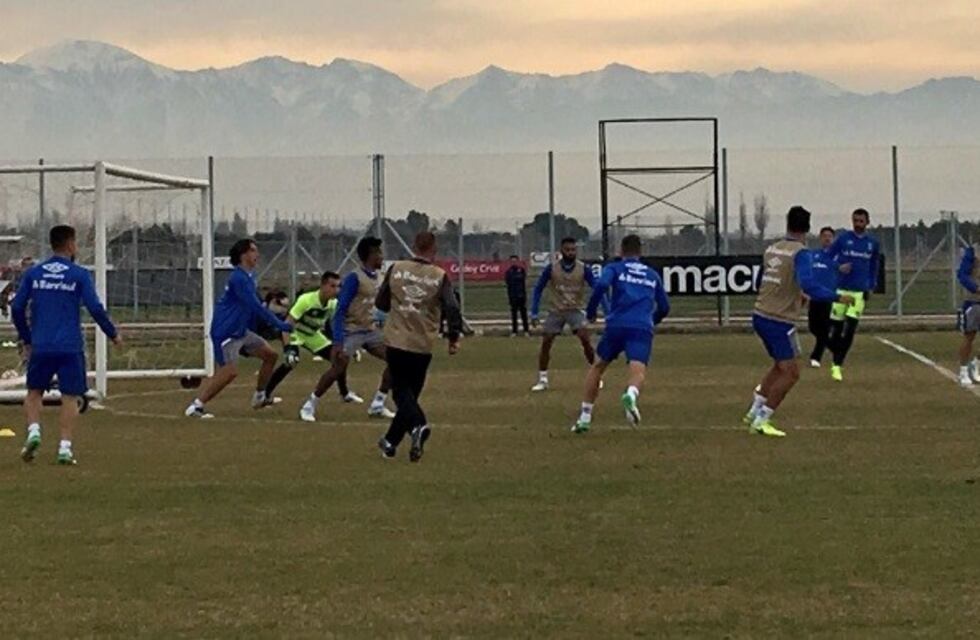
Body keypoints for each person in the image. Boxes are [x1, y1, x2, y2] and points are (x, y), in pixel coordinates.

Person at [11, 225, 122, 465]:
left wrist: (27, 337)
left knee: (33, 393)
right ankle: (64, 448)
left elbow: (17, 307)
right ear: (70, 244)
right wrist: (112, 333)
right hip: (70, 346)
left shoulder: (34, 273)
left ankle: (34, 432)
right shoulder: (79, 274)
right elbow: (95, 308)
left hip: (41, 345)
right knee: (70, 397)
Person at [744, 206, 854, 437]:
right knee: (792, 373)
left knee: (780, 365)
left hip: (761, 314)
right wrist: (837, 296)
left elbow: (760, 282)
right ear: (808, 227)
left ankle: (754, 411)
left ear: (788, 224)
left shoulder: (772, 249)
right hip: (778, 320)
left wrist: (793, 294)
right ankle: (762, 420)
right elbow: (808, 284)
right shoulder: (800, 253)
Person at [375, 231, 462, 462]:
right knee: (410, 394)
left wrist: (399, 304)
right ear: (434, 249)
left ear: (414, 246)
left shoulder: (396, 268)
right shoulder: (439, 276)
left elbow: (381, 303)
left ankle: (418, 426)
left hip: (396, 340)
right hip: (422, 344)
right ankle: (390, 443)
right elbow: (452, 307)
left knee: (402, 393)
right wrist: (453, 336)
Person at [184, 238, 292, 418]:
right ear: (243, 255)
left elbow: (252, 307)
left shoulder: (248, 277)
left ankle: (259, 397)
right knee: (229, 372)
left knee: (270, 356)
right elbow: (255, 306)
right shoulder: (239, 278)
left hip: (240, 330)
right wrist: (280, 324)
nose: (257, 254)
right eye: (253, 250)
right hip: (226, 331)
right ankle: (196, 406)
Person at [572, 235, 669, 434]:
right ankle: (631, 394)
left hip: (616, 325)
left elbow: (600, 286)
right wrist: (652, 320)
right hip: (641, 327)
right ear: (640, 252)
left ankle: (584, 417)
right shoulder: (652, 274)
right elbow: (665, 307)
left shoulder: (614, 268)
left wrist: (591, 311)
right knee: (638, 371)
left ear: (621, 251)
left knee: (597, 367)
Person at [300, 237, 393, 422]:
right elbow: (340, 310)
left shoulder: (380, 277)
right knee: (338, 368)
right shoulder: (354, 278)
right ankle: (309, 405)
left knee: (397, 360)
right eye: (379, 253)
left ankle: (378, 403)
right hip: (351, 331)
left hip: (370, 330)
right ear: (370, 255)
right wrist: (338, 341)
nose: (382, 257)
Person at [262, 271, 362, 402]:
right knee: (291, 362)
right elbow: (287, 325)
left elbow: (334, 327)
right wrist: (288, 349)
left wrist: (347, 345)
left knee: (339, 358)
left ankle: (345, 394)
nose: (336, 290)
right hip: (295, 333)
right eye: (333, 286)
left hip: (313, 335)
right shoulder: (306, 300)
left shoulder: (333, 304)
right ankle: (264, 395)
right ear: (323, 286)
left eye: (338, 286)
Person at [529, 237, 603, 391]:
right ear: (561, 251)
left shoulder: (584, 269)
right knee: (546, 341)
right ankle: (543, 379)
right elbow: (538, 289)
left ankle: (596, 376)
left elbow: (598, 289)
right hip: (556, 310)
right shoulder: (552, 268)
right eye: (568, 250)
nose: (571, 252)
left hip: (575, 309)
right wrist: (534, 312)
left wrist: (601, 310)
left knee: (585, 338)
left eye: (573, 250)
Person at [826, 208, 880, 381]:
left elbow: (874, 265)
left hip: (858, 292)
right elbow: (827, 258)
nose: (858, 224)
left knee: (850, 330)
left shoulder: (872, 243)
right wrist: (838, 267)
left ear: (867, 222)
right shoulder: (843, 239)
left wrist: (870, 285)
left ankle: (837, 365)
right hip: (841, 290)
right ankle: (836, 354)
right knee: (835, 329)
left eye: (861, 221)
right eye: (855, 221)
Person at [807, 226, 839, 368]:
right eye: (824, 236)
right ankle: (836, 347)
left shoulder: (838, 257)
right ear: (820, 238)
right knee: (813, 327)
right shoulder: (814, 255)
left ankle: (816, 357)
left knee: (824, 328)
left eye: (829, 236)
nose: (827, 238)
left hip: (829, 297)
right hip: (815, 297)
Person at [956, 243, 980, 387]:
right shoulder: (973, 251)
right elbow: (962, 274)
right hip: (974, 300)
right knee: (969, 336)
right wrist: (976, 288)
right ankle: (963, 370)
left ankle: (976, 363)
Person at [504, 255, 529, 336]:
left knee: (523, 314)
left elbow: (523, 283)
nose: (514, 262)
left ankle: (526, 331)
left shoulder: (521, 270)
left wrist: (524, 295)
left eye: (515, 261)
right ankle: (514, 331)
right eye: (512, 261)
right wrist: (510, 296)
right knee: (514, 315)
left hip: (521, 296)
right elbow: (508, 285)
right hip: (513, 296)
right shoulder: (508, 272)